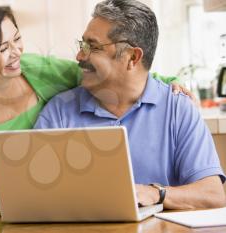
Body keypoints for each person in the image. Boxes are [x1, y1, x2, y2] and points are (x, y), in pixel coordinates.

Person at [0, 4, 189, 210]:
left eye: (17, 40)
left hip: (33, 216)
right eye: (3, 49)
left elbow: (113, 75)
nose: (16, 53)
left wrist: (167, 80)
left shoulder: (42, 70)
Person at [34, 0, 226, 210]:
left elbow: (213, 195)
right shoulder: (59, 112)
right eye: (82, 45)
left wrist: (155, 193)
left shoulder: (178, 109)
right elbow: (33, 193)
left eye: (93, 47)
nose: (79, 56)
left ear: (132, 57)